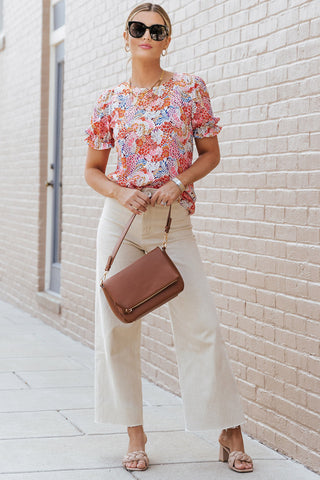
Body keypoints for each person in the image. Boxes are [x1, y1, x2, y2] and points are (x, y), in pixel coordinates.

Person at [84, 2, 253, 474]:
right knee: (117, 327)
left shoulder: (188, 89)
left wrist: (177, 183)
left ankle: (228, 430)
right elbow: (93, 171)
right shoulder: (109, 101)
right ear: (125, 35)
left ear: (167, 39)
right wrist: (122, 192)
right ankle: (135, 434)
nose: (147, 35)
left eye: (156, 30)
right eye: (138, 28)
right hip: (120, 224)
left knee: (201, 324)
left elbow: (209, 154)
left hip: (173, 222)